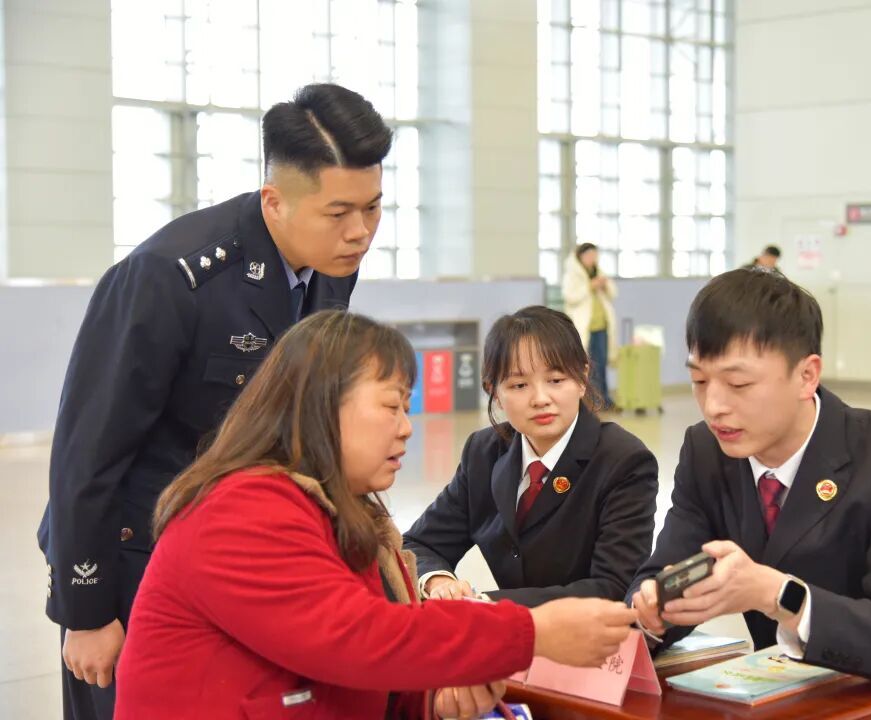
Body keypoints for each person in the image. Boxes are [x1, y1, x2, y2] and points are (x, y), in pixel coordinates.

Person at [38, 83, 390, 720]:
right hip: (137, 559)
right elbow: (85, 454)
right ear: (274, 201)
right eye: (339, 212)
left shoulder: (329, 263)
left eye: (373, 207)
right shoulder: (171, 276)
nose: (360, 232)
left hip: (239, 552)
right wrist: (86, 611)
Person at [114, 311, 637, 720]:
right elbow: (357, 637)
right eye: (391, 407)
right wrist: (528, 631)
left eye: (407, 407)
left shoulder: (341, 512)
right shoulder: (241, 511)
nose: (407, 427)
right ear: (320, 407)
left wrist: (432, 699)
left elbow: (367, 663)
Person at [628, 269, 871, 716]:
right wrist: (652, 612)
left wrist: (779, 595)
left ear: (807, 375)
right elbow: (662, 574)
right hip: (794, 701)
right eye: (699, 381)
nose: (714, 405)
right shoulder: (706, 451)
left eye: (738, 384)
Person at [404, 306, 658, 606]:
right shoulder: (483, 453)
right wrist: (438, 581)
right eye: (519, 385)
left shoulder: (623, 460)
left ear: (582, 378)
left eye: (556, 380)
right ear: (495, 392)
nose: (540, 399)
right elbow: (419, 543)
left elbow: (613, 586)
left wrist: (486, 604)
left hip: (585, 632)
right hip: (511, 630)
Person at [562, 243, 617, 408]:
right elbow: (570, 296)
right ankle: (592, 400)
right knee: (588, 365)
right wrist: (589, 286)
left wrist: (604, 285)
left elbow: (613, 293)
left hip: (601, 327)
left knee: (602, 364)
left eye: (595, 255)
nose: (593, 258)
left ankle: (604, 398)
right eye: (590, 255)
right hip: (584, 328)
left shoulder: (599, 272)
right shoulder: (573, 275)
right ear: (581, 256)